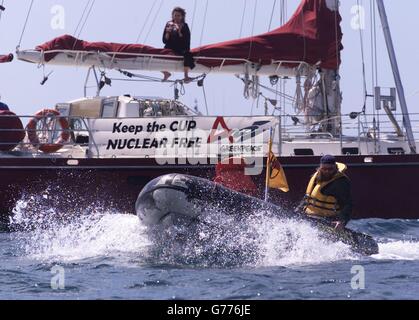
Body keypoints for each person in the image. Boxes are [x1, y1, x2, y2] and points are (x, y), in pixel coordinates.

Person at [297, 155, 352, 231]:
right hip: (309, 217)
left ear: (335, 167)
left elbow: (347, 204)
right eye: (324, 169)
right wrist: (297, 212)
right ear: (320, 168)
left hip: (328, 220)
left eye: (330, 169)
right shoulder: (316, 177)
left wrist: (342, 221)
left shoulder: (340, 183)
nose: (327, 171)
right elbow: (307, 197)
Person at [161, 7, 195, 83]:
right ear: (172, 16)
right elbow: (164, 40)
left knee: (188, 54)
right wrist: (167, 33)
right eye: (175, 15)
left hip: (181, 48)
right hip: (169, 47)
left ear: (182, 16)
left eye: (178, 15)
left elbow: (186, 40)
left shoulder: (185, 26)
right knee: (156, 54)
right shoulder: (169, 24)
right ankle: (166, 73)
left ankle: (186, 76)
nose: (176, 17)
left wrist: (179, 32)